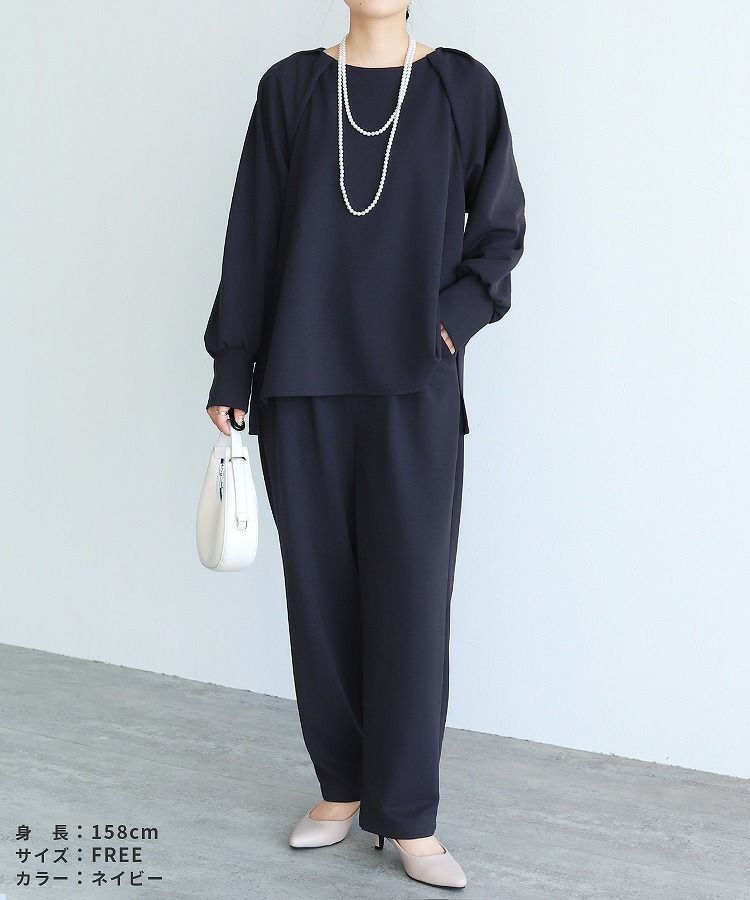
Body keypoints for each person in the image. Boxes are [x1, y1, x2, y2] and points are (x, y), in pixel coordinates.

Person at [203, 1, 525, 890]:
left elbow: (500, 232)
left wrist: (449, 324)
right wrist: (233, 367)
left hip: (415, 389)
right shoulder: (292, 88)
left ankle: (409, 815)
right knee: (321, 601)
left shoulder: (463, 87)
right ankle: (340, 788)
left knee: (412, 603)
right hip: (300, 381)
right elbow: (252, 233)